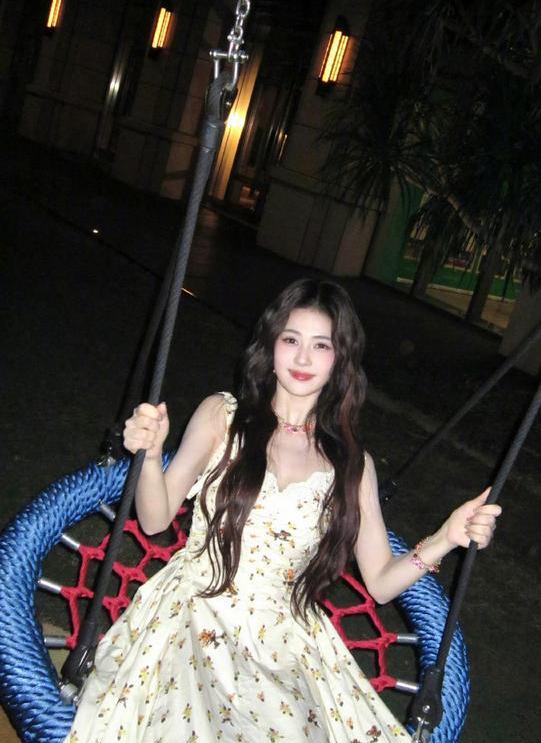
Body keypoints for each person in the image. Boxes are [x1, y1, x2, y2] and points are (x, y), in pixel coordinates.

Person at [65, 279, 501, 743]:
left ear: (340, 361)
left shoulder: (352, 465)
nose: (303, 358)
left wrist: (446, 538)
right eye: (291, 340)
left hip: (286, 644)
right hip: (195, 613)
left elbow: (379, 582)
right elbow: (154, 520)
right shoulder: (222, 417)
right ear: (271, 346)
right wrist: (150, 457)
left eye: (321, 346)